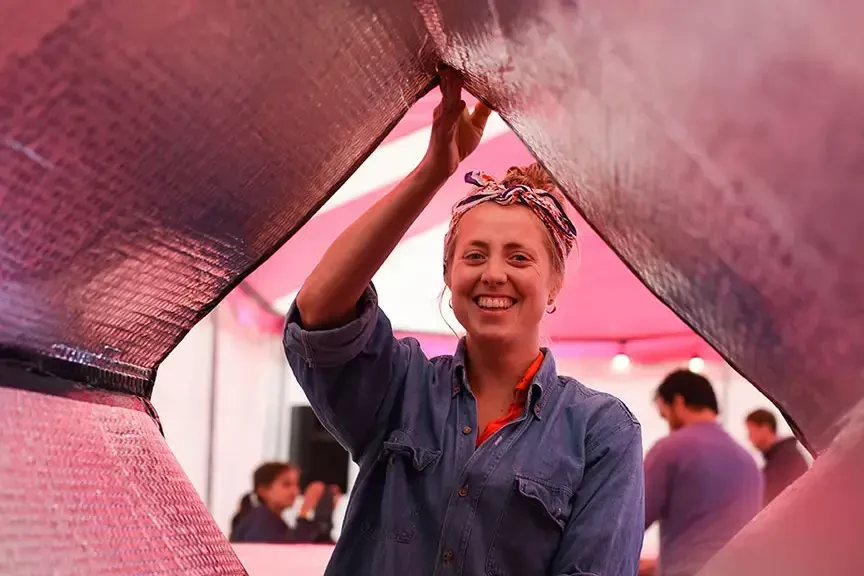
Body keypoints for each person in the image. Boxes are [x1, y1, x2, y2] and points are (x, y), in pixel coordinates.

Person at [282, 66, 645, 575]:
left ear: (554, 284)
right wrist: (433, 170)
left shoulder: (600, 431)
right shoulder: (400, 387)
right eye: (474, 257)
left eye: (519, 258)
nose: (493, 274)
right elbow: (319, 311)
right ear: (449, 278)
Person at [643, 370, 762, 576]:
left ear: (678, 403)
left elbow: (631, 518)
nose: (667, 424)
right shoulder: (747, 460)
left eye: (665, 415)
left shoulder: (670, 449)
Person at [229, 461, 328, 544]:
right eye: (286, 484)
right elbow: (288, 552)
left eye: (296, 484)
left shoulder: (265, 517)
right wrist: (306, 510)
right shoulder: (260, 520)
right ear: (263, 490)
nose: (296, 491)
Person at [745, 408, 809, 506]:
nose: (749, 438)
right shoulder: (781, 456)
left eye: (751, 431)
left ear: (765, 428)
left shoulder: (783, 461)